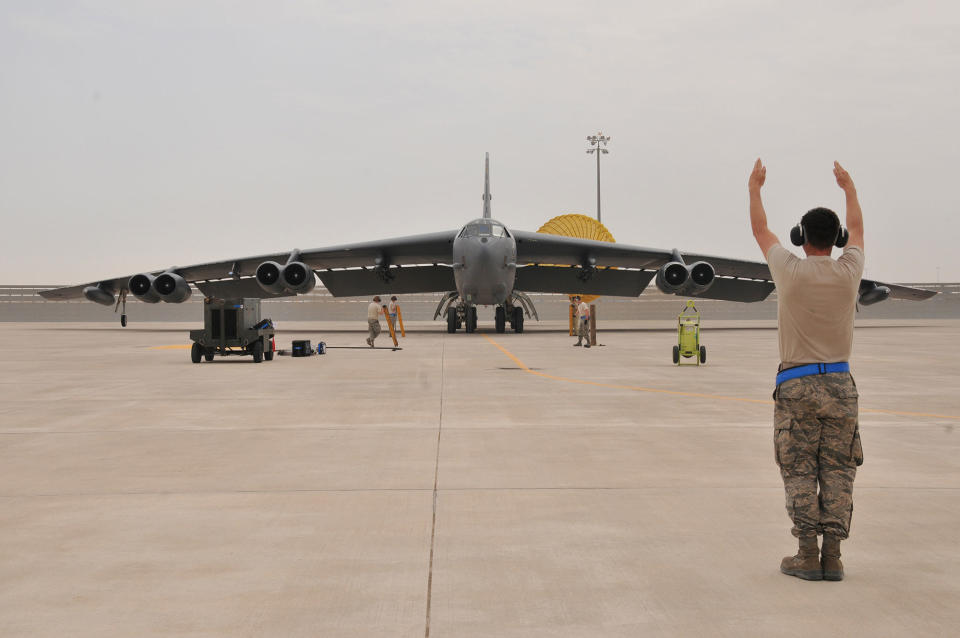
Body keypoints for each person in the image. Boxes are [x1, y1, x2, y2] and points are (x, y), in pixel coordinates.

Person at [749, 158, 865, 582]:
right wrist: (849, 189)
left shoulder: (790, 271)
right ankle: (833, 556)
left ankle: (805, 555)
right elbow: (859, 229)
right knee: (838, 468)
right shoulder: (850, 271)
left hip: (796, 384)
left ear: (801, 239)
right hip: (840, 383)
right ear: (837, 239)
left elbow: (761, 231)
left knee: (799, 468)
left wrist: (755, 188)